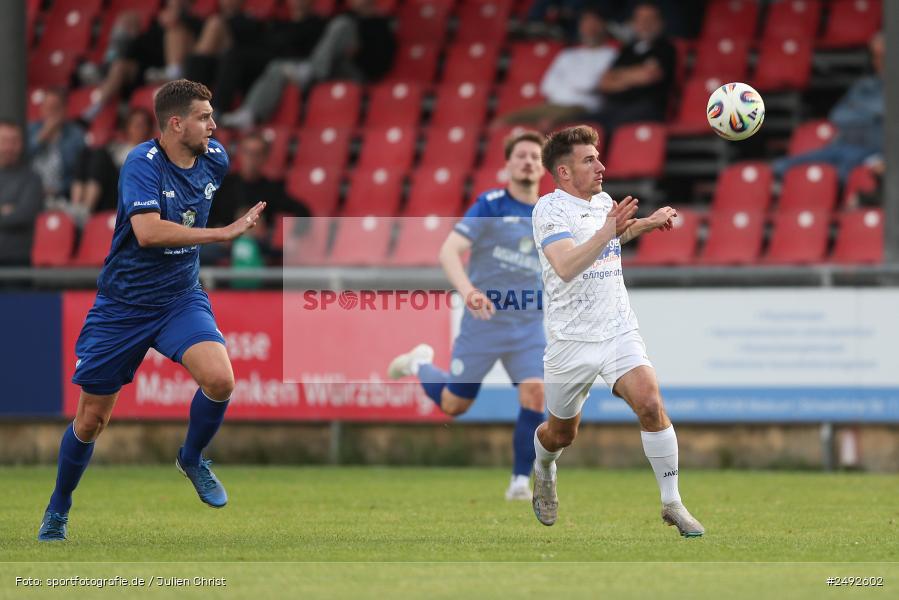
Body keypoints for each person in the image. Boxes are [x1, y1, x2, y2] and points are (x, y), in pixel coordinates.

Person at [37, 80, 267, 542]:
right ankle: (58, 509)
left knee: (221, 379)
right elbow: (147, 232)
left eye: (212, 115)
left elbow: (186, 213)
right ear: (175, 123)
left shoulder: (215, 159)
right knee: (91, 420)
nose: (213, 126)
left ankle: (192, 458)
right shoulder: (140, 167)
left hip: (180, 298)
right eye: (204, 117)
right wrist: (221, 234)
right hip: (123, 306)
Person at [529, 125, 704, 537]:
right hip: (570, 340)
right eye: (590, 160)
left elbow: (612, 237)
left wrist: (647, 223)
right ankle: (544, 466)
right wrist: (609, 230)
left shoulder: (602, 202)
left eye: (599, 157)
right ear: (565, 172)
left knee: (649, 402)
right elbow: (567, 266)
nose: (601, 166)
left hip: (617, 329)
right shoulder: (548, 211)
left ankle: (672, 502)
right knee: (560, 434)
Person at [387, 131, 547, 501]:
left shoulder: (549, 213)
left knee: (536, 392)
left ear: (543, 167)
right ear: (507, 165)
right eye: (521, 156)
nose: (527, 162)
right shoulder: (490, 205)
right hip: (484, 325)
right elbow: (449, 251)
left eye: (535, 157)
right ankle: (420, 363)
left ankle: (520, 482)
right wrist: (469, 292)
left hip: (527, 326)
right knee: (454, 405)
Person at [221, 0, 395, 129]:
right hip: (333, 67)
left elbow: (378, 64)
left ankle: (310, 72)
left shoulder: (381, 23)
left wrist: (358, 52)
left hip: (358, 72)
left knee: (342, 25)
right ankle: (250, 113)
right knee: (277, 66)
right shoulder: (349, 17)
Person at [773, 32, 884, 183]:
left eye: (884, 56)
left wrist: (861, 108)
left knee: (835, 177)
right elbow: (838, 115)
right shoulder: (864, 86)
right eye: (875, 56)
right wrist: (874, 114)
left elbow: (885, 110)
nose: (879, 62)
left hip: (871, 151)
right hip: (841, 146)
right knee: (780, 166)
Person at [494, 9, 618, 131]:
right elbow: (547, 85)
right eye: (585, 23)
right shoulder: (567, 54)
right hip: (553, 105)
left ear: (602, 26)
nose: (589, 29)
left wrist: (568, 84)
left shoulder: (611, 55)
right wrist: (575, 86)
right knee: (502, 122)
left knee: (547, 124)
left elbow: (590, 85)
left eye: (593, 24)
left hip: (583, 107)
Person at [209, 0, 327, 117]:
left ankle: (222, 111)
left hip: (288, 65)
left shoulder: (318, 25)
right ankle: (215, 108)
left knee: (244, 59)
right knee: (232, 56)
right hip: (267, 62)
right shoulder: (278, 23)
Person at [207, 132, 310, 264]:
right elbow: (206, 214)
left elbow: (303, 211)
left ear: (265, 157)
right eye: (247, 152)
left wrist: (293, 237)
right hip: (226, 246)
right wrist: (221, 232)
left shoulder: (271, 189)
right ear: (240, 154)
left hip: (258, 247)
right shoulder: (223, 185)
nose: (251, 159)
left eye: (257, 154)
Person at [585, 1, 676, 131]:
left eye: (650, 19)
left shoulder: (666, 48)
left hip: (647, 108)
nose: (645, 24)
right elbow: (604, 82)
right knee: (579, 124)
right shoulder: (627, 50)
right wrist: (634, 76)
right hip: (615, 107)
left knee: (609, 129)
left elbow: (649, 76)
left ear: (660, 23)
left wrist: (619, 76)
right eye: (640, 19)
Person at [71, 108, 155, 219]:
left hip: (121, 195)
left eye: (141, 125)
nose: (136, 127)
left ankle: (86, 208)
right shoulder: (116, 147)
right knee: (86, 152)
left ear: (148, 129)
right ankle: (76, 207)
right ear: (127, 127)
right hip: (103, 191)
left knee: (100, 154)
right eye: (133, 124)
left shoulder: (149, 152)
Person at [27, 88, 86, 201]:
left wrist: (59, 188)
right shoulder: (31, 129)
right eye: (47, 108)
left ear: (64, 110)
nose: (50, 112)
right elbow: (22, 156)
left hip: (62, 192)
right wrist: (42, 137)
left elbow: (77, 169)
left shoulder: (75, 134)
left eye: (55, 108)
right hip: (31, 190)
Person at [0, 121, 44, 266]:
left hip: (16, 262)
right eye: (5, 141)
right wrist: (5, 209)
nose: (9, 147)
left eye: (14, 141)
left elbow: (24, 215)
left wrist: (13, 213)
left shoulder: (32, 179)